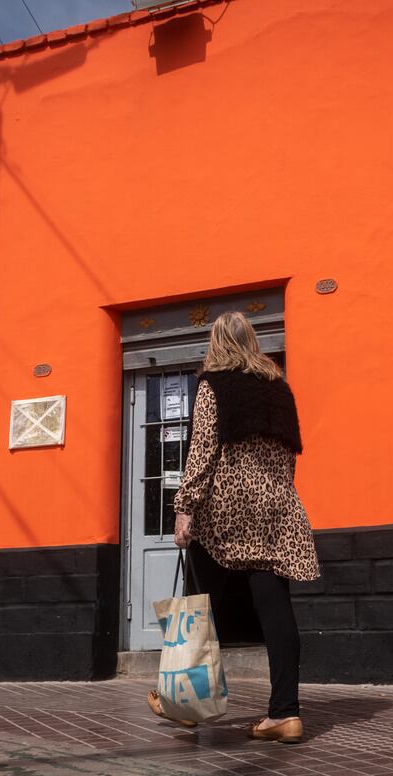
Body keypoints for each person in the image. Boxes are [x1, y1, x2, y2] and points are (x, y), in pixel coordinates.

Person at [146, 310, 319, 744]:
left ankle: (184, 705)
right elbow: (288, 454)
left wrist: (184, 507)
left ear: (217, 342)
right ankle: (285, 713)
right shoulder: (280, 388)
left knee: (201, 605)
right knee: (276, 607)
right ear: (253, 341)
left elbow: (202, 451)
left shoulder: (213, 385)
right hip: (278, 506)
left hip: (226, 506)